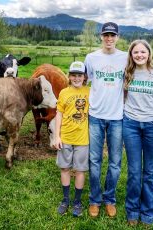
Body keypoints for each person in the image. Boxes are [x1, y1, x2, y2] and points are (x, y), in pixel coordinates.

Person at [123, 40, 153, 226]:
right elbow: (121, 96)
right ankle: (132, 210)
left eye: (143, 51)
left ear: (149, 53)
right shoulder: (127, 73)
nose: (139, 55)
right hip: (131, 125)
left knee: (150, 171)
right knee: (134, 171)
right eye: (136, 52)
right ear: (131, 55)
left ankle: (149, 212)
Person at [84, 22, 127, 218]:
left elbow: (138, 76)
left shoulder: (125, 58)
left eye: (113, 35)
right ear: (101, 36)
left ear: (117, 37)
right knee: (94, 160)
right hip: (96, 116)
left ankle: (109, 199)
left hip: (117, 117)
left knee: (115, 162)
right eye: (106, 35)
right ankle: (95, 199)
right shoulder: (91, 58)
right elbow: (83, 81)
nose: (109, 38)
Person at [54, 61, 90, 217]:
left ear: (84, 77)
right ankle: (65, 199)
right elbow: (59, 114)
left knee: (80, 170)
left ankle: (77, 201)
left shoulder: (90, 91)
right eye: (74, 75)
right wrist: (56, 135)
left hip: (82, 138)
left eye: (79, 75)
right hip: (66, 137)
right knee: (65, 168)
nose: (76, 78)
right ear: (69, 76)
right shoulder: (63, 93)